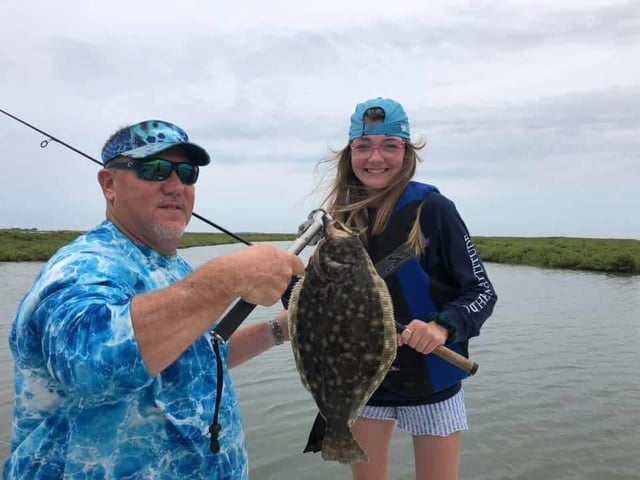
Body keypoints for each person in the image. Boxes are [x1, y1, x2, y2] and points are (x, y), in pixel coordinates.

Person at [3, 120, 305, 480]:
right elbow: (92, 367)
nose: (176, 186)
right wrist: (230, 277)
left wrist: (283, 328)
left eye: (187, 173)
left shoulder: (174, 268)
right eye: (155, 169)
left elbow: (198, 359)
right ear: (109, 184)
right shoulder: (82, 267)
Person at [318, 98, 497, 480]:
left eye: (390, 146)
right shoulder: (338, 219)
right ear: (349, 153)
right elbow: (313, 298)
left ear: (407, 152)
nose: (374, 157)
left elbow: (481, 291)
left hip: (433, 376)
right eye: (363, 146)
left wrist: (442, 326)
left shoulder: (434, 209)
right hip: (363, 385)